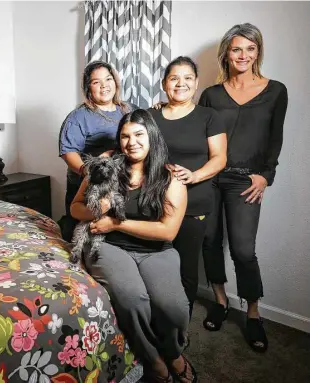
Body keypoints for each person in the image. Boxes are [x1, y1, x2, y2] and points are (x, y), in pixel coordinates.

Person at [71, 109, 196, 383]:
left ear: (152, 136)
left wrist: (115, 223)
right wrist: (97, 212)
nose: (132, 142)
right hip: (109, 246)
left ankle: (174, 352)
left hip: (155, 249)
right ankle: (153, 359)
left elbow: (168, 230)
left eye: (139, 134)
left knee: (173, 306)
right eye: (125, 136)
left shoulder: (170, 177)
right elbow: (75, 208)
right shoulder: (106, 167)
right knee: (133, 299)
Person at [199, 23, 288, 353]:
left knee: (242, 250)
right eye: (237, 48)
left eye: (250, 49)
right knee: (209, 240)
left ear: (258, 52)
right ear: (227, 52)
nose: (243, 55)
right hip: (209, 176)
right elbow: (200, 134)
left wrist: (266, 175)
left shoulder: (275, 90)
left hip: (245, 180)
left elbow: (275, 138)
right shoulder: (211, 94)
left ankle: (253, 313)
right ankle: (220, 301)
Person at [149, 57, 227, 319]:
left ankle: (180, 323)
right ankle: (153, 318)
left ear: (196, 84)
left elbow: (219, 158)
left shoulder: (209, 116)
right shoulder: (150, 116)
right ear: (163, 84)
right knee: (152, 263)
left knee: (185, 268)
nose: (180, 83)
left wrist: (194, 176)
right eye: (173, 78)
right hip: (153, 203)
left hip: (194, 203)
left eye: (187, 78)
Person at [58, 60, 136, 242]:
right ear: (88, 88)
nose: (104, 85)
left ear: (115, 82)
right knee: (83, 233)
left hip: (118, 182)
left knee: (112, 232)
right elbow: (68, 152)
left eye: (108, 79)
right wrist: (88, 173)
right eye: (96, 82)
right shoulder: (79, 116)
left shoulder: (128, 109)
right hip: (87, 185)